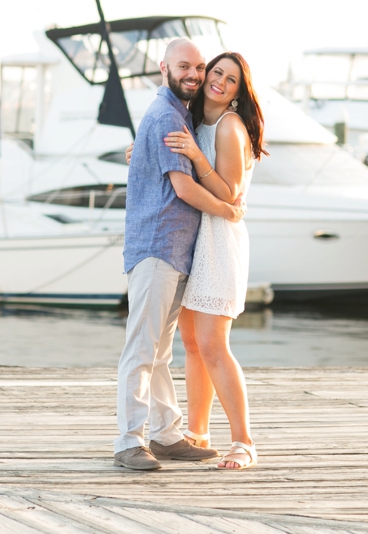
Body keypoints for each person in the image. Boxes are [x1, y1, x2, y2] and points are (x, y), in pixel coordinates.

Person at [114, 38, 246, 472]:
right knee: (142, 348)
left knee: (160, 351)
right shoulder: (167, 114)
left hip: (176, 250)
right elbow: (184, 188)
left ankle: (167, 434)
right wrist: (229, 209)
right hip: (157, 246)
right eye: (184, 66)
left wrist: (139, 153)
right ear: (164, 67)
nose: (194, 74)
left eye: (198, 66)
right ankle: (129, 441)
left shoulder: (181, 115)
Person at [163, 51, 266, 470]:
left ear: (240, 93)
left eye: (231, 80)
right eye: (216, 72)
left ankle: (244, 441)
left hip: (220, 240)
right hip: (195, 238)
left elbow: (228, 196)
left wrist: (195, 155)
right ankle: (198, 431)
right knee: (191, 344)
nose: (220, 81)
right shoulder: (193, 120)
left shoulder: (229, 127)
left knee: (213, 344)